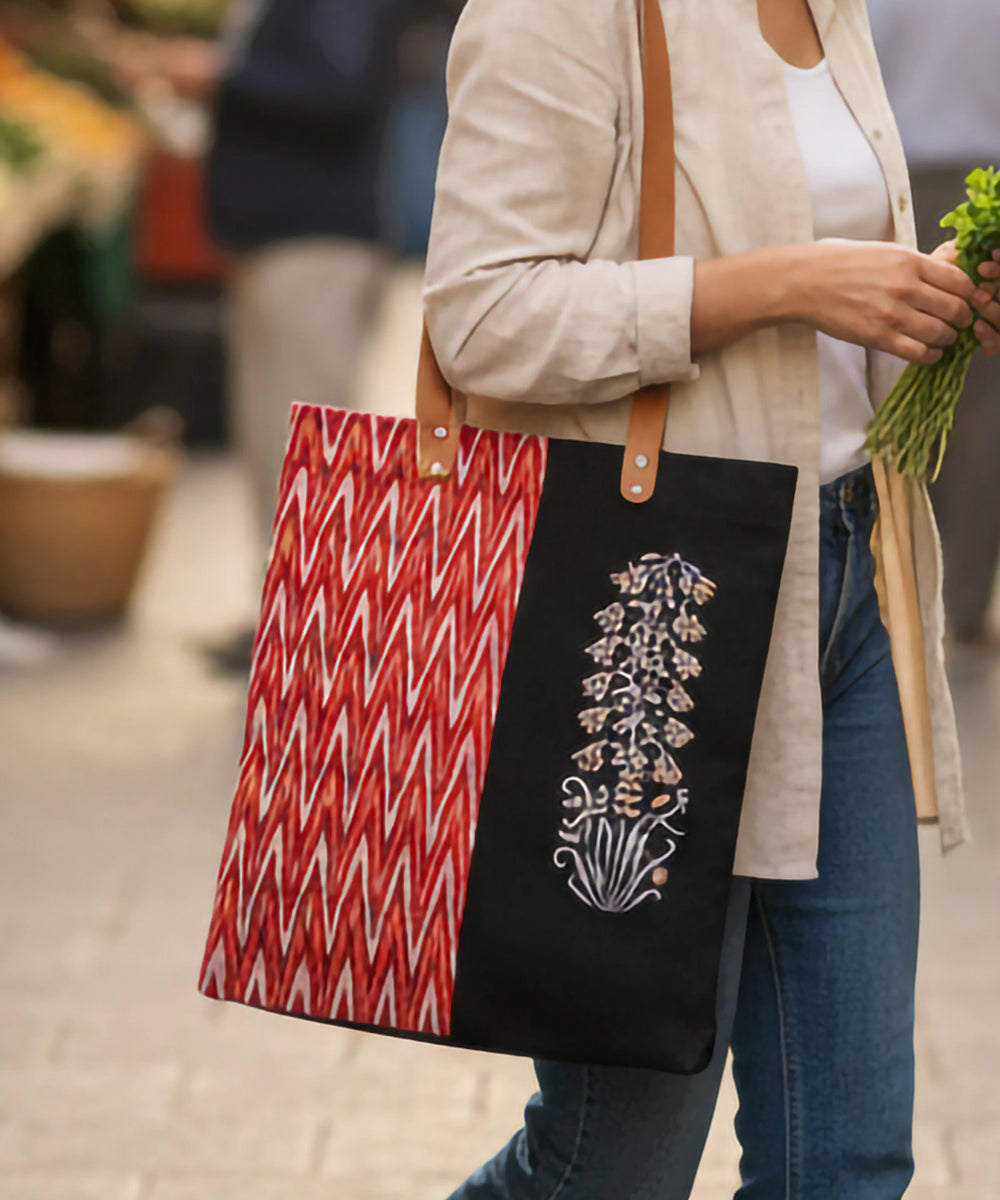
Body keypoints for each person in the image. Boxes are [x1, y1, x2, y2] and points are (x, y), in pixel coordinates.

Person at [420, 0, 1000, 1197]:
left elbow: (821, 331)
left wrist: (920, 303)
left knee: (844, 1160)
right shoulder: (560, 13)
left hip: (851, 583)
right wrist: (782, 284)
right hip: (656, 615)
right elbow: (478, 320)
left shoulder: (830, 6)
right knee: (615, 1165)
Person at [204, 0, 438, 669]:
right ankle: (288, 620)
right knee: (276, 436)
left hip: (317, 235)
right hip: (285, 232)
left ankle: (321, 637)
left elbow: (338, 89)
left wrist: (221, 75)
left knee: (309, 441)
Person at [867, 0, 1000, 648]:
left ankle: (907, 585)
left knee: (900, 370)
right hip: (976, 175)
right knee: (980, 400)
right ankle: (961, 604)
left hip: (902, 181)